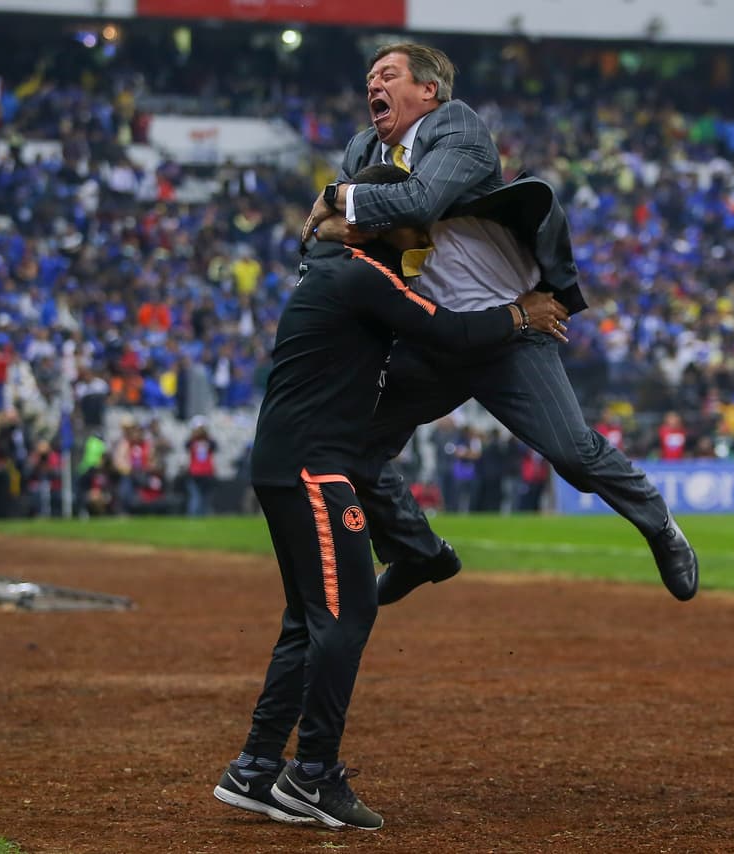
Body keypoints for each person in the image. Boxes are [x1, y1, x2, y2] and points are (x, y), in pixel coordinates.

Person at [214, 164, 569, 831]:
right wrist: (523, 313)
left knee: (309, 619)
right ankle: (312, 774)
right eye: (417, 215)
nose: (428, 229)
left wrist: (325, 209)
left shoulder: (332, 268)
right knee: (348, 616)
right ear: (384, 221)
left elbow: (324, 238)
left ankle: (257, 767)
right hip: (317, 470)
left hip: (292, 462)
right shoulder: (364, 275)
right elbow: (450, 332)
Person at [305, 42, 698, 604]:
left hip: (513, 327)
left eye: (387, 75)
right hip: (434, 332)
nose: (373, 85)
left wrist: (336, 198)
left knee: (572, 453)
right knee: (352, 444)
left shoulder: (457, 126)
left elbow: (415, 203)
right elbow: (343, 238)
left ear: (428, 91)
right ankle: (417, 551)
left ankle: (660, 524)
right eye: (369, 77)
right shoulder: (364, 146)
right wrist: (339, 218)